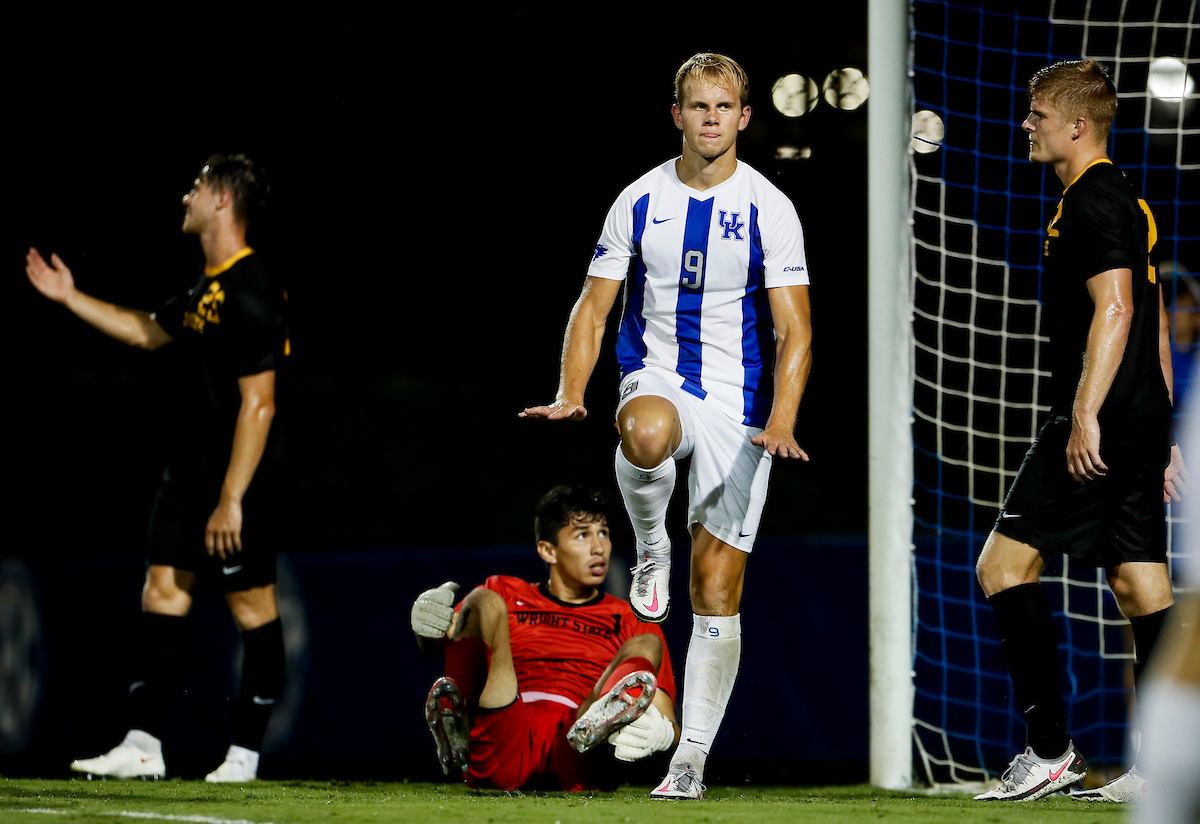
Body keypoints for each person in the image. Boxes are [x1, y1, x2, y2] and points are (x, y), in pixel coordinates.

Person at [520, 52, 813, 799]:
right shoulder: (639, 200)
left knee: (717, 589)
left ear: (744, 117)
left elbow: (796, 330)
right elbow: (594, 304)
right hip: (660, 380)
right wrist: (571, 389)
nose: (711, 118)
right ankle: (651, 546)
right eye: (697, 105)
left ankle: (690, 760)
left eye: (724, 107)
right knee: (645, 433)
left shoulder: (770, 208)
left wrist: (780, 421)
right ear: (676, 114)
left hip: (742, 408)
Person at [25, 154, 287, 783]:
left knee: (253, 610)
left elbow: (261, 401)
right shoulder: (207, 287)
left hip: (234, 482)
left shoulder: (252, 289)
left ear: (223, 200)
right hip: (187, 476)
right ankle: (142, 745)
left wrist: (232, 498)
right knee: (162, 592)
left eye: (197, 186)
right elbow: (147, 331)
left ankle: (245, 755)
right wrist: (69, 298)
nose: (187, 196)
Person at [973, 60, 1184, 803]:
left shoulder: (1093, 201)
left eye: (1035, 114)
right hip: (1138, 415)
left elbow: (1120, 310)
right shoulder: (1126, 198)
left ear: (1076, 124)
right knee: (1141, 584)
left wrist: (1089, 414)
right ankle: (1168, 764)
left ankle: (1050, 749)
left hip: (1100, 416)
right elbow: (1153, 310)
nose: (1025, 125)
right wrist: (1159, 424)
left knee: (1001, 567)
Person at [410, 486, 679, 791]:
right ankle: (458, 729)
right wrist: (425, 624)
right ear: (548, 550)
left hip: (579, 739)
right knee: (483, 600)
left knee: (647, 643)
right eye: (582, 535)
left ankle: (600, 725)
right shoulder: (507, 592)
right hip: (505, 727)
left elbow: (667, 717)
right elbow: (438, 644)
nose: (599, 547)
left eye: (603, 533)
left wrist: (664, 734)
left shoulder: (628, 617)